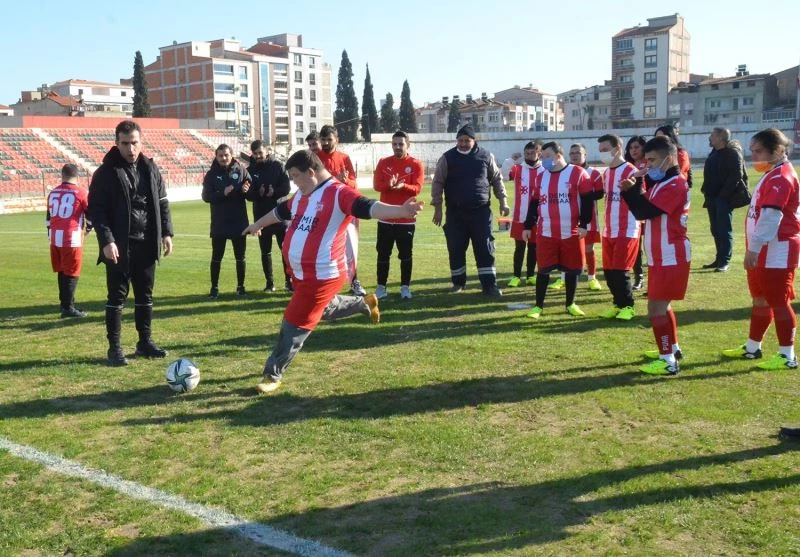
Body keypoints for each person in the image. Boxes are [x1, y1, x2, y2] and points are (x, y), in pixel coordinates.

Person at [242, 150, 424, 393]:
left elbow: (368, 207)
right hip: (301, 274)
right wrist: (257, 225)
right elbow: (279, 212)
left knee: (294, 322)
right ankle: (364, 303)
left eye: (296, 176)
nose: (294, 182)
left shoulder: (339, 193)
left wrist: (400, 211)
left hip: (323, 275)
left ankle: (273, 374)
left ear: (311, 172)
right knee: (324, 310)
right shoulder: (302, 195)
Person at [88, 119, 174, 367]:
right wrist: (107, 240)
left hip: (147, 243)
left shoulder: (150, 168)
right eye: (125, 143)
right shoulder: (105, 173)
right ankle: (114, 348)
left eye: (134, 143)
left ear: (141, 142)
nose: (130, 148)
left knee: (145, 295)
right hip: (119, 245)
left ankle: (144, 342)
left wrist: (166, 233)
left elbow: (162, 203)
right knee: (117, 296)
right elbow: (97, 211)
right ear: (116, 143)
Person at [722, 128, 800, 370]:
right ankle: (752, 347)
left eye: (758, 151)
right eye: (752, 151)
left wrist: (754, 248)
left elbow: (770, 217)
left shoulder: (781, 177)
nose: (753, 156)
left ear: (777, 151)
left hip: (776, 249)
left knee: (778, 301)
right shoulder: (773, 173)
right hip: (763, 249)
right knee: (760, 299)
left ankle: (787, 355)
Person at [620, 136, 690, 375]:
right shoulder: (663, 182)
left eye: (652, 160)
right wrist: (635, 184)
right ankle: (672, 348)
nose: (647, 165)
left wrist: (631, 190)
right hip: (662, 255)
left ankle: (667, 360)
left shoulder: (675, 184)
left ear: (668, 159)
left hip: (670, 254)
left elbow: (643, 211)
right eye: (646, 160)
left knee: (655, 309)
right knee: (663, 306)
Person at [432, 124, 510, 296]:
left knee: (485, 248)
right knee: (456, 248)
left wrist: (503, 201)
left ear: (474, 140)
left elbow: (497, 179)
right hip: (455, 213)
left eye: (467, 140)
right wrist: (437, 208)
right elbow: (437, 183)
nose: (463, 144)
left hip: (481, 212)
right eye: (460, 140)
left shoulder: (486, 156)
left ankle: (489, 285)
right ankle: (458, 283)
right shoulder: (447, 158)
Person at [522, 141, 594, 318]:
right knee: (543, 270)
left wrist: (584, 224)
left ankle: (570, 304)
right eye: (542, 156)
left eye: (547, 156)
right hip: (546, 232)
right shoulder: (541, 176)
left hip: (571, 232)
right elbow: (534, 202)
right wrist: (527, 225)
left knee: (572, 269)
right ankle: (538, 307)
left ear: (558, 156)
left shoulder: (578, 173)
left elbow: (587, 201)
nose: (544, 160)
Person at [372, 130, 424, 300]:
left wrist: (403, 187)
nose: (397, 147)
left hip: (406, 219)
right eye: (394, 144)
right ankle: (381, 287)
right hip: (385, 217)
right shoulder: (383, 162)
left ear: (407, 145)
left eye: (401, 144)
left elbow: (417, 188)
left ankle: (405, 288)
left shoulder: (416, 164)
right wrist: (389, 184)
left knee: (406, 254)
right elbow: (377, 186)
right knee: (383, 253)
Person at [596, 134, 641, 320]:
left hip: (627, 228)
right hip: (609, 229)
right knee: (608, 271)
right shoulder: (606, 173)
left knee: (620, 271)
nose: (603, 154)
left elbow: (640, 199)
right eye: (600, 151)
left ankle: (628, 306)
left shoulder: (632, 171)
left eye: (606, 150)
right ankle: (617, 303)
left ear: (617, 149)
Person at [317, 124, 365, 296]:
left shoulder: (344, 158)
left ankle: (354, 282)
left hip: (346, 209)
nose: (326, 143)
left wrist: (344, 182)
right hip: (324, 211)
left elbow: (353, 183)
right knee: (324, 248)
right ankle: (326, 286)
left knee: (351, 246)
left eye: (329, 139)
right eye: (323, 140)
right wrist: (333, 180)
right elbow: (313, 185)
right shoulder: (315, 158)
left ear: (337, 140)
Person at [202, 144, 252, 298]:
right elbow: (206, 196)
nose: (224, 158)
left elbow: (250, 190)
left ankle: (241, 287)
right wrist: (222, 193)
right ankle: (214, 288)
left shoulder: (241, 170)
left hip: (239, 221)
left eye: (226, 155)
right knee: (216, 257)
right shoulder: (211, 175)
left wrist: (247, 190)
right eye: (220, 155)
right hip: (219, 223)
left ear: (231, 155)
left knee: (240, 257)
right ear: (216, 157)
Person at [246, 139, 292, 292]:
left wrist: (275, 192)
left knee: (285, 249)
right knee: (265, 251)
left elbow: (286, 187)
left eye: (260, 152)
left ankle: (289, 281)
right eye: (255, 153)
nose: (258, 156)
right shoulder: (250, 170)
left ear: (267, 151)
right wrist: (255, 194)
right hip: (261, 216)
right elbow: (249, 195)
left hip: (281, 216)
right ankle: (270, 283)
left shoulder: (278, 166)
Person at [700, 127, 748, 272]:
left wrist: (724, 195)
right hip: (711, 196)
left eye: (713, 135)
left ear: (721, 137)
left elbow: (736, 175)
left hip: (723, 198)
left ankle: (724, 261)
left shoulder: (732, 152)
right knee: (715, 229)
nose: (710, 137)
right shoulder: (714, 152)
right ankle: (719, 258)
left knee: (724, 229)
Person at [47, 163, 90, 318]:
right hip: (71, 237)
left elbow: (48, 216)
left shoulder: (53, 192)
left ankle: (64, 304)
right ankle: (68, 308)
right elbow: (90, 215)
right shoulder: (80, 192)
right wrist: (88, 230)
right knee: (72, 272)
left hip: (54, 237)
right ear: (77, 177)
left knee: (62, 270)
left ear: (62, 175)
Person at [568, 143, 604, 291]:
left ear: (585, 154)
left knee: (588, 248)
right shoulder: (566, 172)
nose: (575, 155)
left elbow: (601, 193)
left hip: (589, 217)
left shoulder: (594, 173)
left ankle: (592, 278)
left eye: (578, 152)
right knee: (568, 249)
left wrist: (584, 195)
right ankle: (564, 278)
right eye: (572, 153)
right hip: (569, 217)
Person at [507, 140, 543, 288]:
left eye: (532, 153)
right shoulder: (517, 169)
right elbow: (503, 174)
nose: (529, 155)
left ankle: (530, 276)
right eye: (526, 153)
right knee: (519, 247)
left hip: (537, 217)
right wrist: (510, 160)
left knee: (534, 248)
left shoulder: (544, 170)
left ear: (539, 153)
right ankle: (516, 276)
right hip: (520, 216)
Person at [625, 135, 648, 291]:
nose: (633, 150)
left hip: (649, 208)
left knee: (650, 246)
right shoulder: (627, 166)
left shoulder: (649, 164)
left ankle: (653, 279)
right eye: (631, 148)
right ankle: (638, 277)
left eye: (637, 147)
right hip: (634, 211)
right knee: (636, 246)